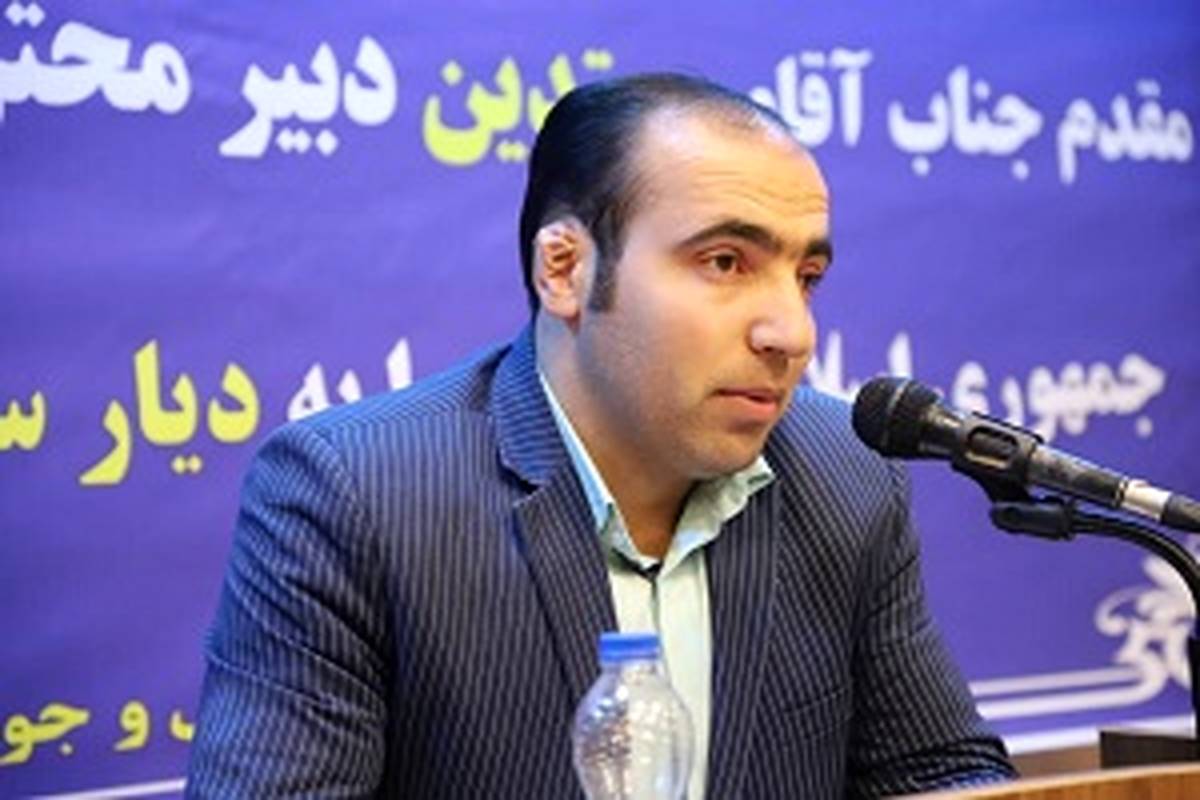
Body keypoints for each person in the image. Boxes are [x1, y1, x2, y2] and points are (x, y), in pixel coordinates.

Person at [186, 73, 1017, 798]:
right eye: (725, 262)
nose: (790, 333)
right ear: (566, 270)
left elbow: (941, 772)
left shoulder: (846, 475)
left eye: (807, 277)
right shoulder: (357, 497)